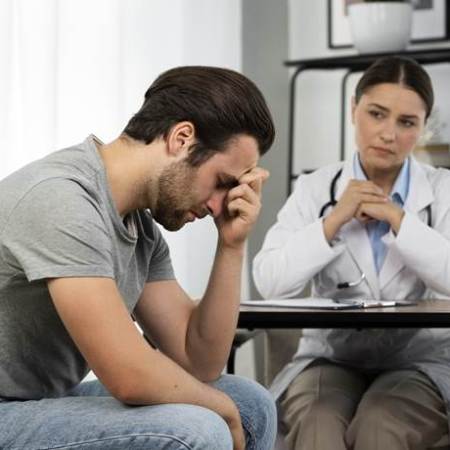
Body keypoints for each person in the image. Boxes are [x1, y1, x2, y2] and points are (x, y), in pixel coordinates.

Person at [0, 66, 277, 450]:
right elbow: (128, 374)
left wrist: (232, 245)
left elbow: (199, 361)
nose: (219, 205)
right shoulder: (62, 199)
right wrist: (222, 411)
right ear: (182, 138)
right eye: (221, 182)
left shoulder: (140, 230)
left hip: (34, 402)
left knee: (251, 405)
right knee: (199, 427)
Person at [253, 56, 450, 450]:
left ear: (423, 126)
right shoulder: (315, 189)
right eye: (377, 114)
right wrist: (333, 221)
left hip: (420, 360)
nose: (388, 134)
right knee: (318, 423)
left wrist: (398, 219)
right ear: (353, 109)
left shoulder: (442, 190)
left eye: (406, 122)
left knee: (381, 424)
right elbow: (270, 281)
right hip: (331, 358)